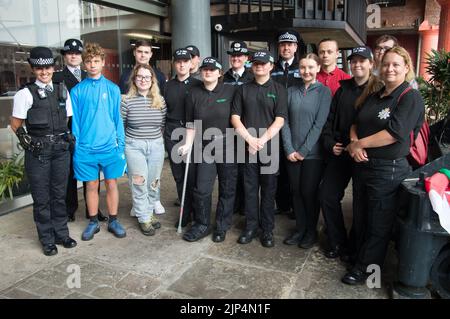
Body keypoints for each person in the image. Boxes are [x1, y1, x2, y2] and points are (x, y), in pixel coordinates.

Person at [343, 46, 425, 285]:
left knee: (378, 223)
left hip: (387, 169)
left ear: (406, 68)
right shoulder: (375, 94)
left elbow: (394, 134)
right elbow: (355, 122)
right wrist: (354, 142)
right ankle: (358, 257)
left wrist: (359, 146)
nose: (390, 69)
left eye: (396, 65)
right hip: (363, 166)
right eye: (386, 64)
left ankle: (366, 271)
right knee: (361, 216)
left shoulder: (410, 97)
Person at [11, 46, 77, 256]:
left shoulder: (61, 89)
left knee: (59, 195)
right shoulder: (24, 94)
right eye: (39, 68)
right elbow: (15, 124)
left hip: (60, 150)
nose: (44, 72)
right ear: (32, 69)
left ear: (53, 67)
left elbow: (66, 118)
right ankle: (47, 239)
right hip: (38, 152)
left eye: (48, 67)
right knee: (42, 198)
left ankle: (61, 233)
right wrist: (26, 140)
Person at [320, 46, 383, 260]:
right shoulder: (343, 88)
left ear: (371, 64)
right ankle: (338, 242)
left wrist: (363, 146)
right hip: (340, 151)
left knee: (360, 204)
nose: (357, 64)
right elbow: (329, 119)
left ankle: (356, 248)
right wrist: (330, 143)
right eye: (353, 61)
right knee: (327, 195)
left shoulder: (379, 90)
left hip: (364, 155)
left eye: (362, 60)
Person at [71, 43, 127, 241]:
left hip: (110, 146)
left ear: (103, 62)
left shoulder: (112, 89)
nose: (92, 64)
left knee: (112, 182)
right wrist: (77, 147)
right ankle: (93, 222)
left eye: (96, 61)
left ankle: (113, 220)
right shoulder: (77, 91)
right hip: (86, 148)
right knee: (91, 184)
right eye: (89, 61)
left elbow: (117, 118)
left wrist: (121, 145)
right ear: (84, 64)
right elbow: (75, 122)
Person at [231, 50, 287, 248]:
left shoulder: (279, 89)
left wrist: (260, 140)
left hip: (269, 147)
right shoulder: (243, 89)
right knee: (250, 190)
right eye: (255, 63)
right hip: (247, 148)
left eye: (263, 63)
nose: (259, 66)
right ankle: (250, 227)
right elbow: (235, 117)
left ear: (271, 66)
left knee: (269, 191)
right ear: (251, 66)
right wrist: (249, 139)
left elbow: (280, 119)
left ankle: (267, 230)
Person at [179, 57, 237, 243]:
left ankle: (222, 225)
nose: (208, 72)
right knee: (202, 189)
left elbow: (237, 118)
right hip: (204, 148)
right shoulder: (193, 93)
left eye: (212, 69)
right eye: (205, 69)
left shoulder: (230, 91)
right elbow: (190, 123)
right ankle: (202, 223)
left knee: (227, 189)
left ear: (220, 73)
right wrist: (187, 143)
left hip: (228, 146)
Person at [53, 38, 108, 222]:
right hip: (67, 132)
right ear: (65, 56)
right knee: (69, 174)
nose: (74, 56)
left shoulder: (89, 76)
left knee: (91, 174)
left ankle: (92, 209)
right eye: (70, 53)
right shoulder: (56, 78)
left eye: (77, 53)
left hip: (89, 133)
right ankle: (70, 208)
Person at [281, 53, 331, 249]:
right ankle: (300, 229)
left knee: (308, 192)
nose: (306, 71)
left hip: (312, 154)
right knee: (296, 192)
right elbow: (283, 121)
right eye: (303, 67)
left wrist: (303, 150)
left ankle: (311, 231)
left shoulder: (324, 92)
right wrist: (289, 149)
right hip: (291, 152)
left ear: (318, 68)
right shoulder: (290, 91)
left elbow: (319, 125)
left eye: (310, 67)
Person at [118, 40, 165, 216]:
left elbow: (162, 116)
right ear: (135, 53)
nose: (143, 55)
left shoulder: (159, 76)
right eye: (140, 52)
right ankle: (140, 208)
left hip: (153, 140)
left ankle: (153, 201)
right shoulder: (124, 75)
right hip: (134, 140)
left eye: (146, 52)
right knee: (138, 177)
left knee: (153, 176)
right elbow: (122, 108)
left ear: (151, 54)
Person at [163, 48, 202, 228]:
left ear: (190, 63)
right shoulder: (167, 86)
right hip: (172, 130)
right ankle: (184, 212)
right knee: (179, 175)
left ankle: (196, 212)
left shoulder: (197, 84)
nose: (181, 64)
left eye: (185, 61)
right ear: (174, 63)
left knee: (192, 174)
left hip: (191, 131)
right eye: (178, 61)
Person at [271, 29, 302, 217]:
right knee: (277, 167)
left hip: (296, 123)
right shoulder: (271, 68)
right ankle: (281, 204)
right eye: (283, 44)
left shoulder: (302, 67)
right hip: (274, 122)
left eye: (290, 44)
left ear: (295, 47)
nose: (286, 48)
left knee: (294, 167)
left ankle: (294, 205)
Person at [223, 41, 254, 216]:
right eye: (233, 55)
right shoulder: (222, 77)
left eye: (239, 55)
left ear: (246, 58)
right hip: (227, 131)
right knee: (230, 171)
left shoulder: (252, 77)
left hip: (247, 130)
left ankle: (245, 206)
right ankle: (233, 204)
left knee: (246, 171)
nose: (236, 58)